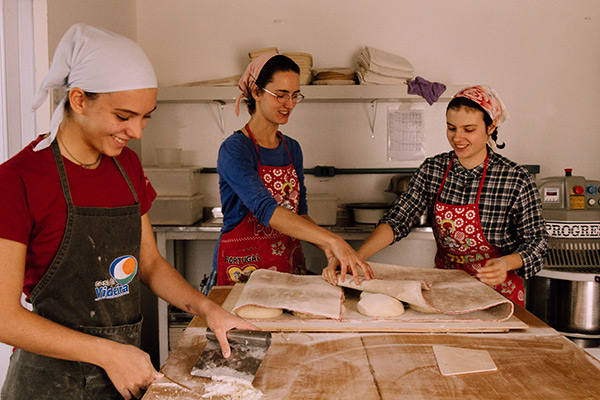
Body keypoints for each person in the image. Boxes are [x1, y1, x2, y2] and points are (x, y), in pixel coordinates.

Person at [0, 24, 256, 400]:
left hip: (123, 374)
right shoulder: (18, 180)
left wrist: (208, 309)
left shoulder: (126, 167)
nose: (136, 132)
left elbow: (149, 263)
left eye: (145, 116)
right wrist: (108, 353)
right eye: (123, 116)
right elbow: (5, 317)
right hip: (49, 384)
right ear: (78, 100)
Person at [323, 85, 548, 306]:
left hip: (500, 293)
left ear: (490, 128)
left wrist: (506, 263)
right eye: (451, 128)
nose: (458, 138)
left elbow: (538, 243)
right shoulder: (434, 169)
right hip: (447, 287)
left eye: (469, 130)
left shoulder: (516, 178)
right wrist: (354, 258)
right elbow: (398, 220)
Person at [203, 53, 373, 294]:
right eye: (281, 95)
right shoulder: (235, 149)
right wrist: (332, 240)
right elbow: (266, 209)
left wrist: (327, 247)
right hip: (242, 271)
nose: (290, 104)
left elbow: (300, 214)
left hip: (287, 265)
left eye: (295, 96)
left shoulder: (291, 148)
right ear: (256, 92)